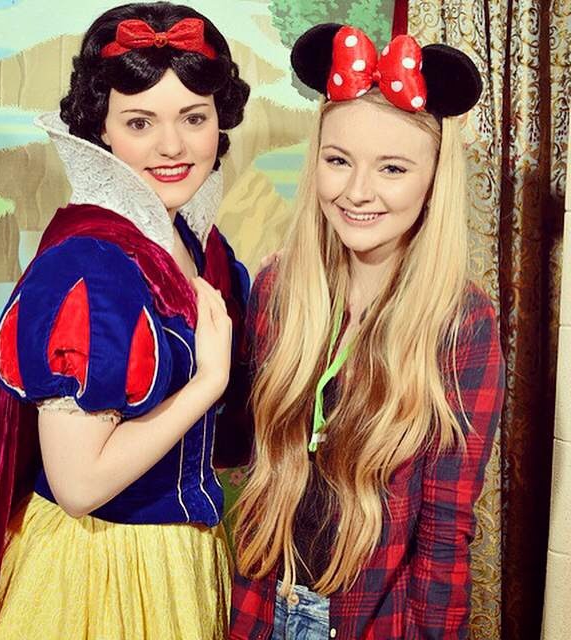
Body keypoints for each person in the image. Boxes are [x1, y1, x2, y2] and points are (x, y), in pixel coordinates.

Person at [0, 3, 250, 639]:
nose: (172, 146)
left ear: (221, 121)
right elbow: (79, 486)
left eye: (194, 117)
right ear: (100, 128)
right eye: (140, 122)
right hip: (100, 571)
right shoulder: (88, 269)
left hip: (182, 561)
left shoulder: (200, 248)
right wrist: (206, 385)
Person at [230, 23, 505, 640]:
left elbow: (444, 532)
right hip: (258, 606)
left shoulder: (461, 324)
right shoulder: (278, 289)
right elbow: (243, 457)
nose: (357, 192)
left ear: (432, 182)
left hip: (369, 623)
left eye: (392, 168)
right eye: (338, 161)